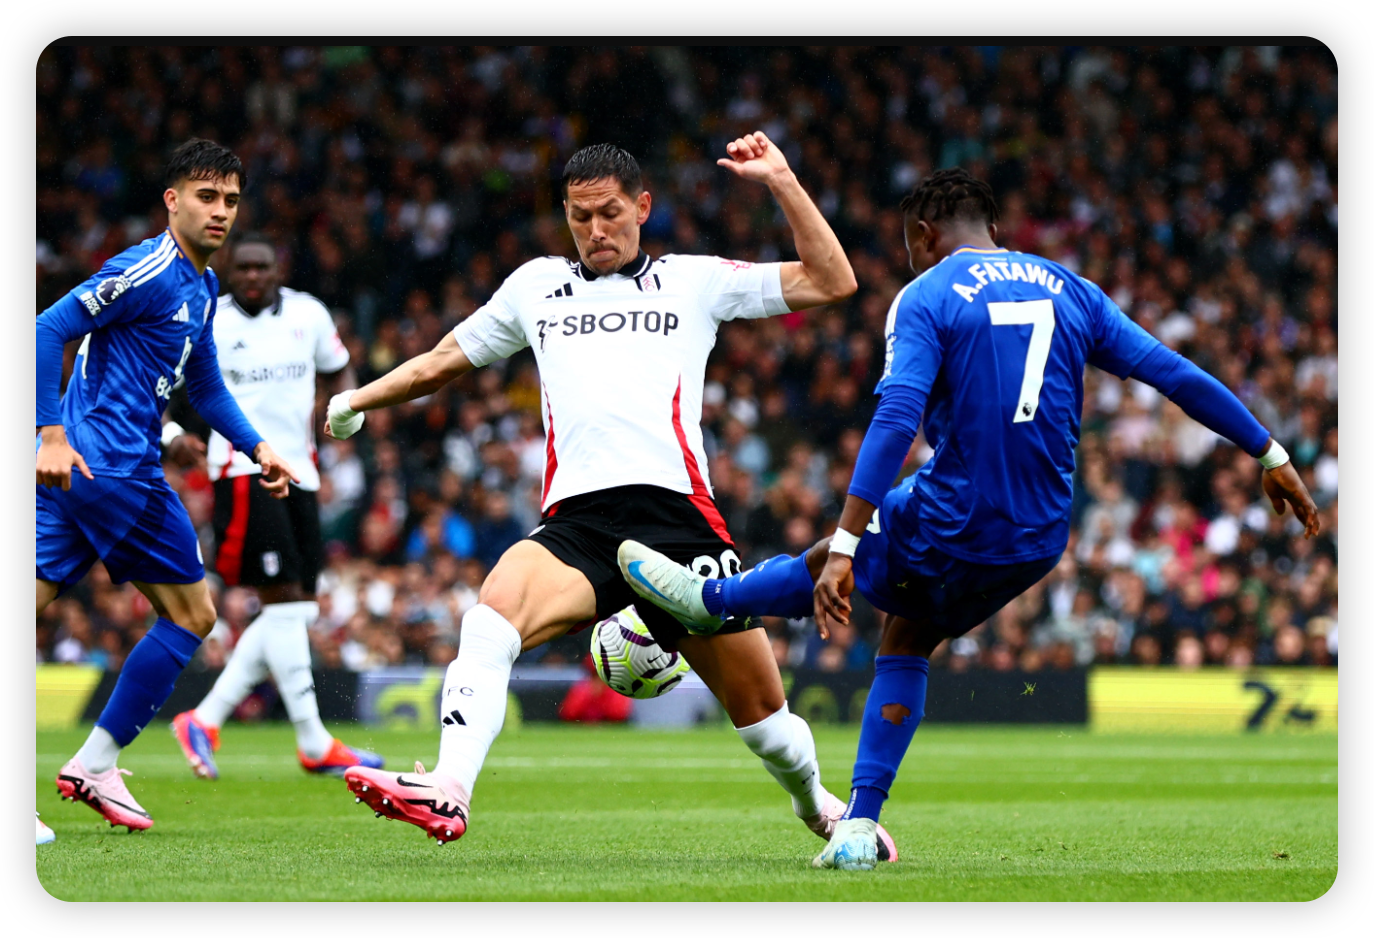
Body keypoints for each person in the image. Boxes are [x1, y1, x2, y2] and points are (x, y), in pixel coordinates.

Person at [619, 168, 1321, 870]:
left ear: (924, 237)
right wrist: (1270, 450)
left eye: (908, 246)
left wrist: (843, 541)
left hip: (955, 515)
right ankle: (859, 825)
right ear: (991, 230)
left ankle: (713, 600)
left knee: (858, 549)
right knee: (906, 640)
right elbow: (1174, 374)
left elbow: (898, 417)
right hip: (1040, 537)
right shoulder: (1074, 290)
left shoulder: (924, 296)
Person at [327, 135, 893, 860]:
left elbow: (832, 279)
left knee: (762, 717)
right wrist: (359, 398)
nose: (595, 231)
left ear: (643, 208)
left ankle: (819, 806)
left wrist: (780, 178)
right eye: (579, 217)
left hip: (678, 520)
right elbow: (443, 360)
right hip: (579, 522)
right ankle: (451, 789)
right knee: (489, 620)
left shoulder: (697, 281)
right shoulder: (534, 286)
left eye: (610, 213)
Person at [36, 139, 297, 831]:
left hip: (81, 477)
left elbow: (205, 384)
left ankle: (93, 765)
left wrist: (257, 445)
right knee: (193, 616)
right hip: (115, 469)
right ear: (172, 200)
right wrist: (49, 433)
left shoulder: (202, 285)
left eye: (232, 201)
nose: (220, 212)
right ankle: (94, 764)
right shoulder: (148, 267)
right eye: (206, 197)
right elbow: (46, 326)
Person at [165, 233, 382, 778]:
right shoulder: (209, 317)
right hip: (242, 472)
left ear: (278, 268)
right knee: (283, 601)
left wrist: (342, 409)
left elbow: (338, 370)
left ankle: (205, 718)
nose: (254, 276)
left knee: (298, 607)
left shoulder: (309, 314)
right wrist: (170, 432)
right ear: (230, 272)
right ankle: (313, 741)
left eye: (263, 267)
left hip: (302, 471)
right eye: (244, 269)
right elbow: (160, 383)